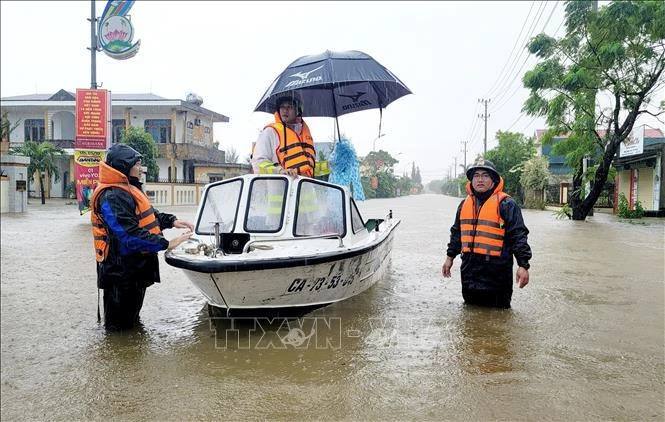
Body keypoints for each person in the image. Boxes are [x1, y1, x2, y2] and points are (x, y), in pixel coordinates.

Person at [90, 144, 194, 331]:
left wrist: (172, 221)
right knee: (119, 330)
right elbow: (128, 235)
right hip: (120, 272)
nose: (141, 168)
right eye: (137, 164)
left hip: (134, 268)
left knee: (132, 321)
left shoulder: (127, 189)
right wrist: (167, 243)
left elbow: (147, 215)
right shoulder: (112, 196)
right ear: (124, 166)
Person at [441, 159, 532, 308]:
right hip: (469, 271)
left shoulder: (507, 204)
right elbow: (457, 233)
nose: (480, 179)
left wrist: (523, 265)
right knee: (470, 315)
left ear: (494, 180)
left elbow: (519, 236)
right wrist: (449, 258)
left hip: (497, 273)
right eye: (476, 175)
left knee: (499, 319)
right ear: (471, 180)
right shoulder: (464, 205)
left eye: (485, 175)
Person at [251, 93, 316, 177]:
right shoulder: (270, 132)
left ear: (298, 110)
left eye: (290, 106)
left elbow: (308, 166)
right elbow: (258, 163)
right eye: (282, 107)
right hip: (280, 188)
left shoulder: (304, 134)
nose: (285, 110)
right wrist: (280, 171)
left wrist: (329, 166)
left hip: (304, 187)